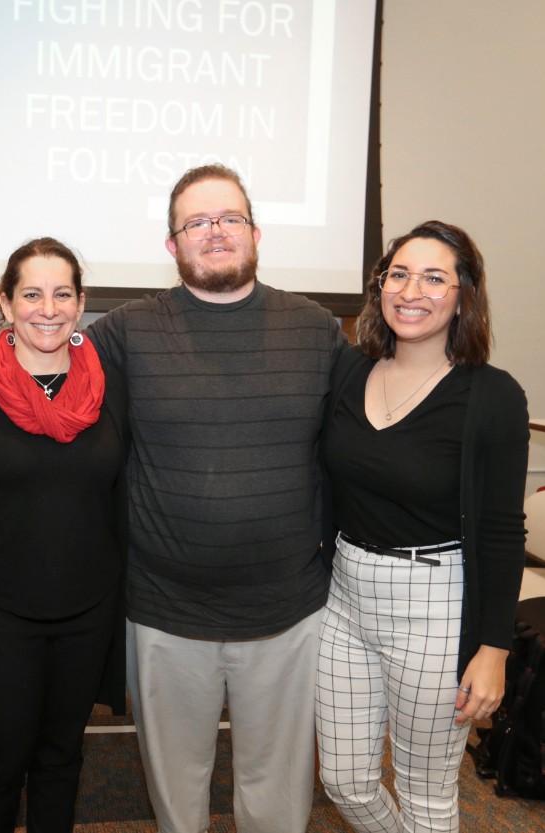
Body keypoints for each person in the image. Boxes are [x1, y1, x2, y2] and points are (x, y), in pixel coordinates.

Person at [85, 164, 346, 833]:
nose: (216, 232)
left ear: (256, 233)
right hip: (165, 608)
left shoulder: (317, 329)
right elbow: (44, 365)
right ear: (172, 245)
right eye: (196, 222)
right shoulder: (126, 331)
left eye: (229, 218)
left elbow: (365, 437)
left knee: (279, 788)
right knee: (177, 786)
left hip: (287, 608)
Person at [315, 221, 528, 832]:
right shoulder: (349, 372)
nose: (412, 291)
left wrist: (493, 650)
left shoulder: (493, 397)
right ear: (380, 287)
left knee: (426, 795)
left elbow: (501, 533)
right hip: (345, 597)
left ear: (464, 294)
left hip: (435, 601)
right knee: (345, 783)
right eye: (399, 274)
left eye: (435, 277)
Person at [0, 238, 128, 833]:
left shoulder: (112, 389)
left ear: (80, 305)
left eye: (62, 294)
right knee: (2, 758)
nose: (47, 309)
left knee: (63, 754)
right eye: (31, 294)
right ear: (5, 304)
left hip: (88, 606)